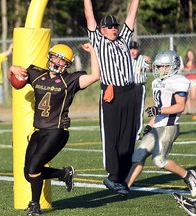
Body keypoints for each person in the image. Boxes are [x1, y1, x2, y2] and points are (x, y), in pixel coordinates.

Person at [7, 43, 100, 216]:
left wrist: (93, 52)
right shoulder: (36, 74)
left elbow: (95, 76)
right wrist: (11, 67)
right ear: (49, 57)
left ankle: (35, 205)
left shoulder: (70, 80)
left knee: (34, 168)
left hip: (57, 131)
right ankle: (64, 173)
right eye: (55, 57)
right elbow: (14, 79)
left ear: (68, 64)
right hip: (39, 131)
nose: (57, 61)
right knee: (29, 173)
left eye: (62, 60)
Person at [107, 50, 196, 197]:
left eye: (164, 66)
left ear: (173, 66)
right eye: (159, 66)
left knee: (159, 160)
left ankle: (189, 176)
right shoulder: (157, 82)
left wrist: (158, 110)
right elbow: (159, 109)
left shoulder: (178, 81)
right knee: (138, 155)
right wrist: (150, 124)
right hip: (158, 126)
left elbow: (180, 106)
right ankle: (125, 186)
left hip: (169, 127)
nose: (161, 69)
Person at [84, 0, 139, 191]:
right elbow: (89, 16)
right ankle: (113, 175)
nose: (114, 29)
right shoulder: (98, 41)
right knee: (112, 135)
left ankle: (122, 176)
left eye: (115, 26)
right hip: (111, 92)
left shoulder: (123, 38)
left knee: (129, 134)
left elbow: (131, 16)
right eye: (109, 27)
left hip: (130, 91)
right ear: (102, 30)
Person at [130, 41, 151, 140]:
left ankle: (137, 134)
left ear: (138, 50)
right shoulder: (125, 59)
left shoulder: (142, 59)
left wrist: (149, 62)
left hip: (139, 87)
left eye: (135, 49)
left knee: (138, 111)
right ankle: (128, 132)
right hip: (128, 87)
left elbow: (151, 69)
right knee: (128, 110)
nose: (133, 51)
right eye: (131, 49)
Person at [183, 49, 196, 115]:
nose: (190, 56)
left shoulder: (195, 63)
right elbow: (183, 70)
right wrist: (187, 70)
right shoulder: (185, 63)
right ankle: (189, 111)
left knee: (193, 97)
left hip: (194, 80)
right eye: (189, 54)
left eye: (191, 54)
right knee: (187, 96)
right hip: (187, 80)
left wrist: (190, 70)